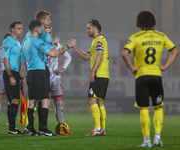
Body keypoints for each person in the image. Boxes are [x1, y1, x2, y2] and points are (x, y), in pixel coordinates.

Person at [122, 10, 178, 147]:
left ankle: (147, 141)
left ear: (138, 23)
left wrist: (132, 68)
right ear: (153, 22)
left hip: (141, 76)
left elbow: (124, 53)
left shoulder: (136, 37)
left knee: (144, 109)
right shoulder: (161, 36)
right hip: (156, 75)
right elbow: (175, 51)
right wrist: (165, 67)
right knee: (158, 107)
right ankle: (157, 138)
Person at [22, 10, 73, 135]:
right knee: (45, 99)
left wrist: (25, 75)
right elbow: (54, 54)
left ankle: (30, 127)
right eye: (48, 19)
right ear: (42, 22)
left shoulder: (27, 37)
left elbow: (23, 58)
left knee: (33, 100)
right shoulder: (42, 37)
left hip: (30, 72)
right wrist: (66, 46)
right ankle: (43, 128)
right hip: (40, 70)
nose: (50, 21)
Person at [71, 19, 109, 136]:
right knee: (100, 102)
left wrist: (92, 71)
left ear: (95, 28)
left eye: (89, 28)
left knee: (91, 100)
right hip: (104, 75)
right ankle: (102, 129)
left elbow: (99, 55)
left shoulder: (98, 40)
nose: (87, 31)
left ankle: (97, 129)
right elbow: (87, 57)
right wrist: (75, 47)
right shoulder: (97, 41)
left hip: (99, 74)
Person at [44, 26, 73, 134]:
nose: (48, 34)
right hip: (43, 79)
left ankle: (61, 126)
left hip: (55, 78)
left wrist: (63, 68)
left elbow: (68, 57)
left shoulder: (57, 45)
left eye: (50, 32)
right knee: (41, 103)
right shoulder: (40, 45)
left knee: (58, 103)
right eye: (46, 32)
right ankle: (41, 127)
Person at [2, 21, 24, 135]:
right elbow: (5, 59)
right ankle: (11, 128)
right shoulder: (7, 41)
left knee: (12, 102)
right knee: (14, 100)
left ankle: (12, 128)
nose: (21, 30)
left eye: (22, 28)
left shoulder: (17, 43)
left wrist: (21, 78)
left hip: (15, 73)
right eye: (19, 28)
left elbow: (18, 62)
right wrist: (11, 76)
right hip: (9, 73)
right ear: (12, 30)